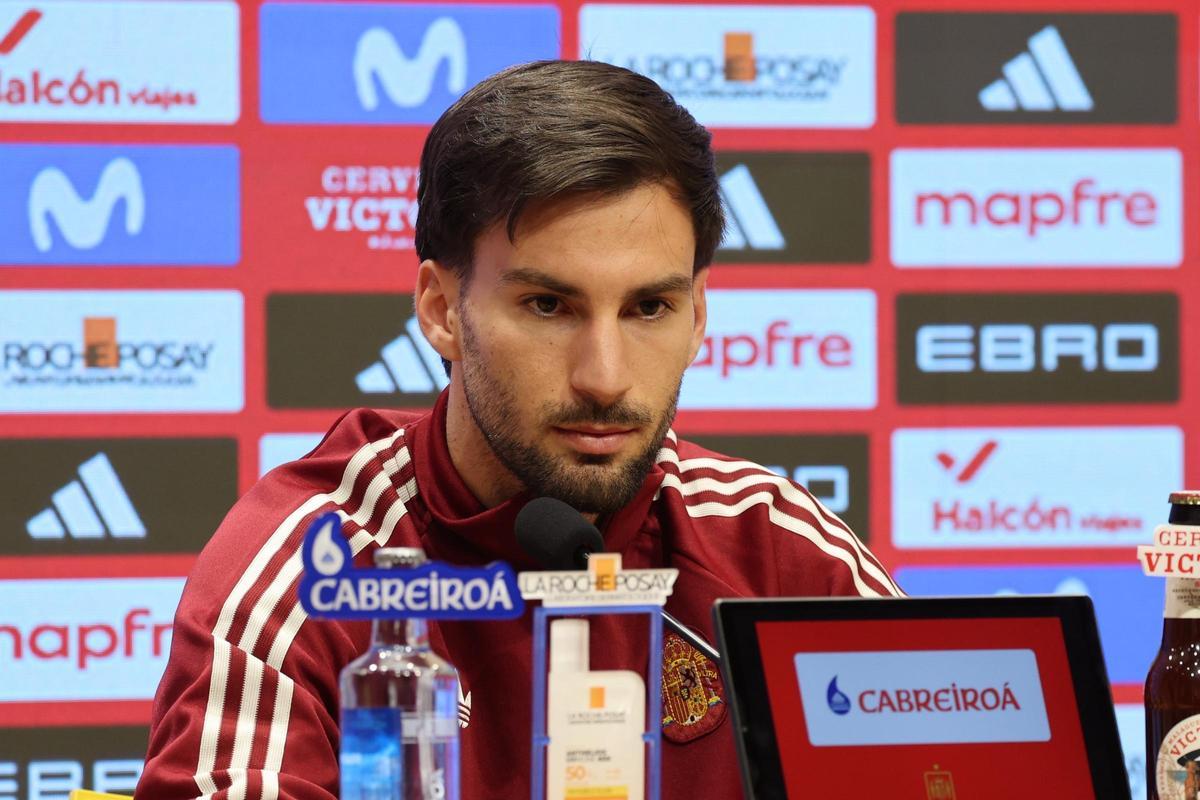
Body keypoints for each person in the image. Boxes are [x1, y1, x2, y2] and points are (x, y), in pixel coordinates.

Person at [137, 59, 900, 800]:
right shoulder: (315, 571)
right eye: (547, 306)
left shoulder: (775, 548)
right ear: (441, 310)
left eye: (648, 309)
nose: (604, 376)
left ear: (697, 315)